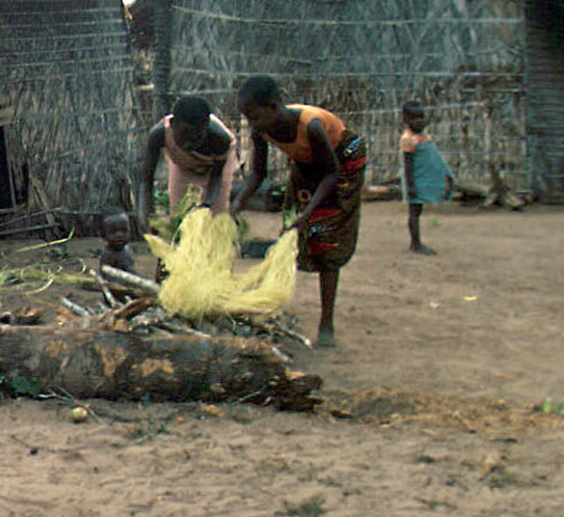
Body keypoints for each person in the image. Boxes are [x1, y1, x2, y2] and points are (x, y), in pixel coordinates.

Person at [231, 75, 365, 348]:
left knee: (327, 239)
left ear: (273, 106)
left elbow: (331, 174)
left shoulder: (311, 127)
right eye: (247, 118)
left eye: (254, 116)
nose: (251, 124)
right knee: (292, 237)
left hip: (342, 163)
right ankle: (276, 308)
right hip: (307, 164)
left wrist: (307, 215)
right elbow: (257, 174)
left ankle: (326, 323)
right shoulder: (261, 130)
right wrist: (233, 209)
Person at [137, 94, 239, 226]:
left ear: (206, 130)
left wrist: (207, 205)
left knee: (215, 219)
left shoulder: (220, 139)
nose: (188, 144)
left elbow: (217, 176)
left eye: (197, 138)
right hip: (182, 164)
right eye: (183, 136)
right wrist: (145, 217)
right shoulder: (159, 134)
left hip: (213, 166)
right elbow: (146, 179)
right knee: (180, 217)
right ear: (172, 125)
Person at [400, 101, 452, 255]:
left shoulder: (423, 136)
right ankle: (415, 244)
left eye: (421, 117)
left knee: (417, 211)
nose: (420, 121)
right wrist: (411, 185)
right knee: (414, 212)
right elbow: (408, 165)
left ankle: (416, 243)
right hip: (415, 181)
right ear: (406, 120)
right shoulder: (408, 139)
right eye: (415, 119)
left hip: (420, 180)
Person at [97, 209, 136, 276]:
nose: (120, 235)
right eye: (113, 232)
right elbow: (107, 276)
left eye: (124, 230)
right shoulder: (108, 256)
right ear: (103, 235)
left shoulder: (127, 250)